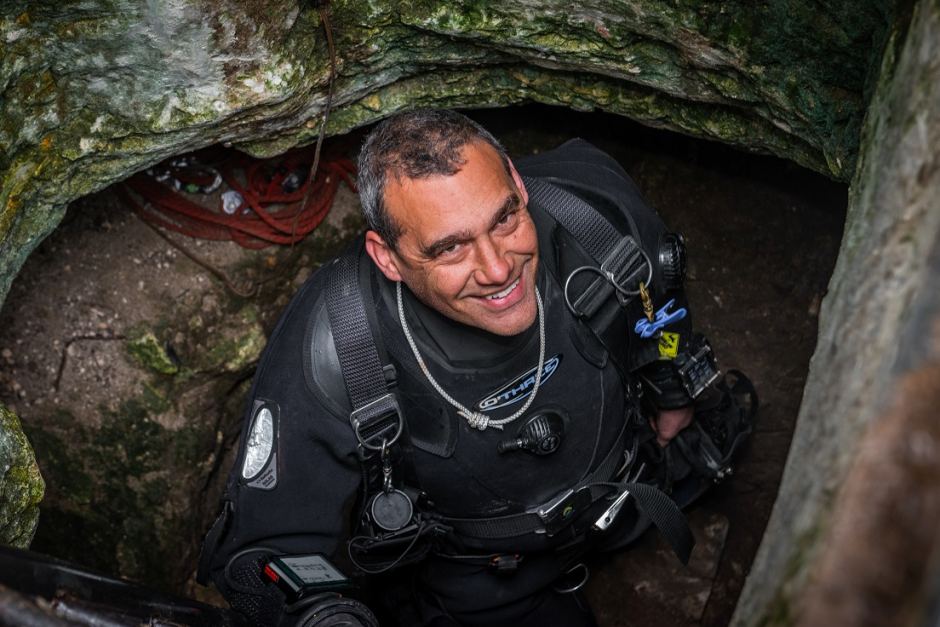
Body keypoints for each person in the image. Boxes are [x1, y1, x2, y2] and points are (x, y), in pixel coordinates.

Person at [198, 109, 753, 627]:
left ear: (518, 181)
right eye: (450, 249)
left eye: (506, 217)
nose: (498, 269)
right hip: (483, 582)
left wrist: (673, 391)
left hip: (631, 483)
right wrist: (326, 615)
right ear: (386, 256)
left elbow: (658, 301)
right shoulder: (336, 346)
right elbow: (260, 557)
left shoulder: (593, 209)